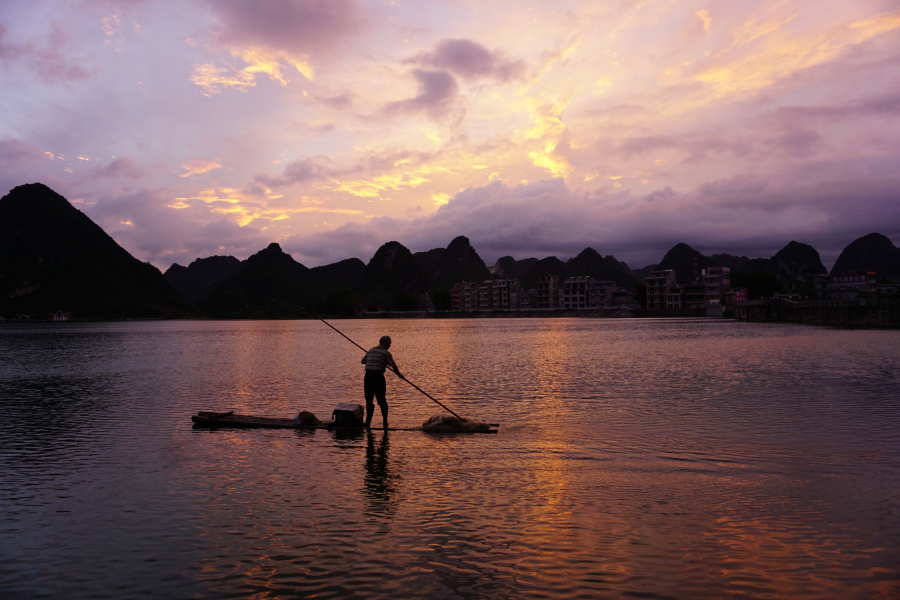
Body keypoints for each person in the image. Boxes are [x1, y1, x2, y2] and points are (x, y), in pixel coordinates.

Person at [361, 335, 404, 429]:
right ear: (383, 342)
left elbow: (363, 361)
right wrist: (399, 374)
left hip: (368, 376)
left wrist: (372, 358)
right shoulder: (386, 353)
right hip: (377, 376)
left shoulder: (370, 350)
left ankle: (368, 423)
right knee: (382, 400)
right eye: (389, 342)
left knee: (369, 400)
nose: (390, 345)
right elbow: (393, 365)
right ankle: (385, 422)